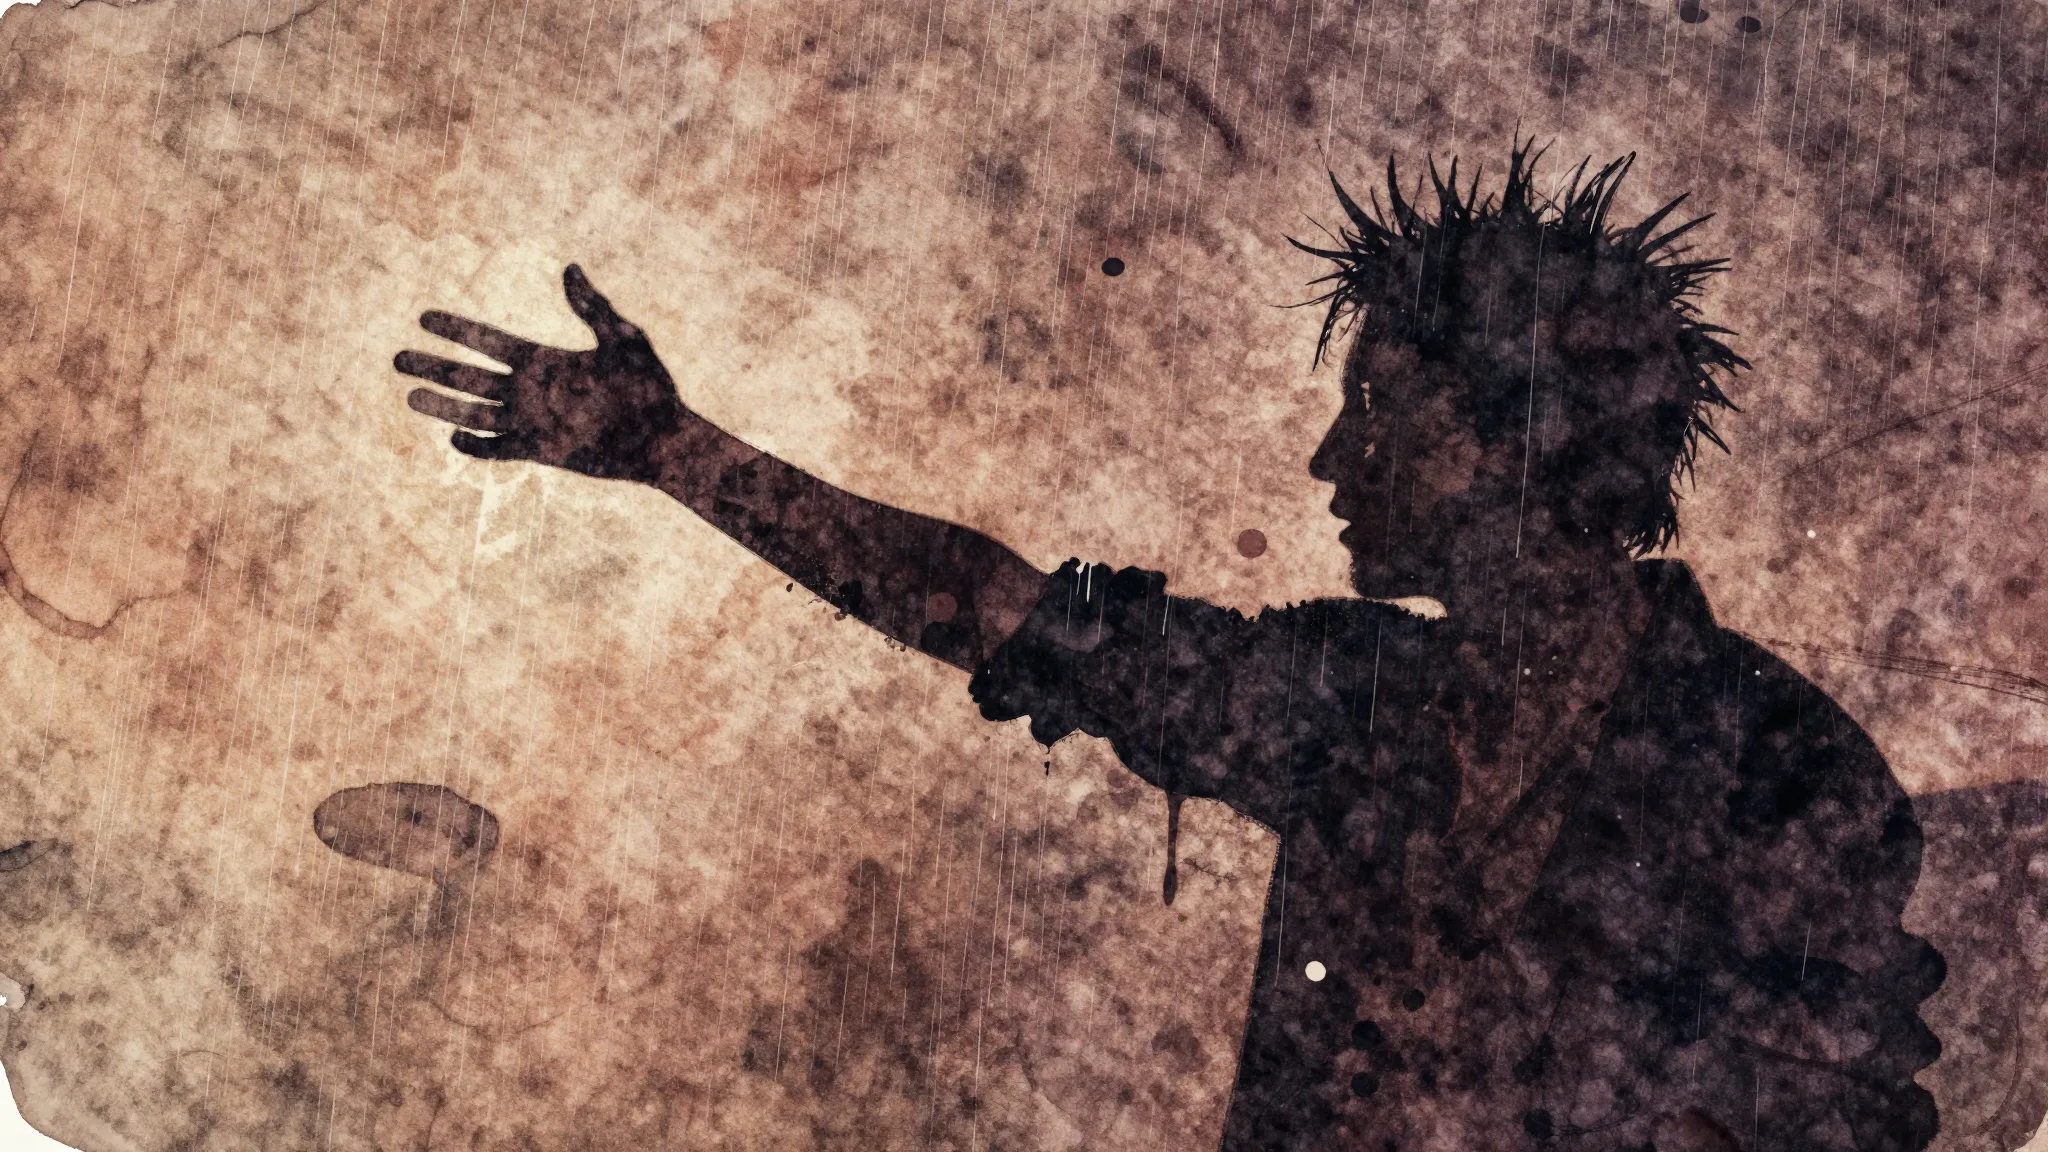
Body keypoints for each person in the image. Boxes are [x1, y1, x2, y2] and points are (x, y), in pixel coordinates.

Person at [396, 143, 1943, 1151]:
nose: (1333, 461)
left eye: (1378, 412)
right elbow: (987, 606)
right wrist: (675, 452)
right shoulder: (1343, 694)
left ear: (1506, 435)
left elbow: (1825, 1116)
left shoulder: (1782, 769)